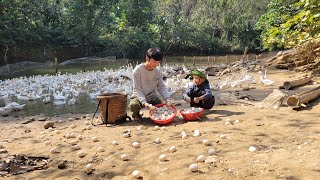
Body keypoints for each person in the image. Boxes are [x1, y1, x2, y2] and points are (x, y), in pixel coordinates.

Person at [129, 48, 172, 121]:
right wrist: (145, 103)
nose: (156, 64)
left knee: (160, 110)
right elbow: (137, 90)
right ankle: (136, 114)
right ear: (147, 58)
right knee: (133, 105)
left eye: (158, 62)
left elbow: (161, 87)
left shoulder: (157, 72)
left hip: (152, 96)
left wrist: (168, 98)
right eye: (154, 61)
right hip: (139, 96)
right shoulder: (137, 70)